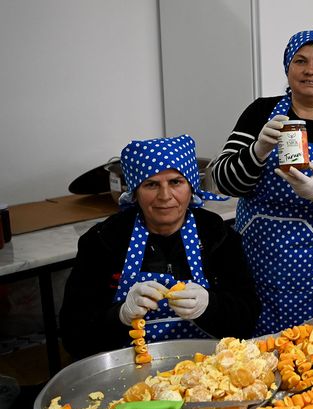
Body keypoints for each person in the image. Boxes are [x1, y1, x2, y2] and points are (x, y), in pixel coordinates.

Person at [211, 30, 313, 335]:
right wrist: (257, 150)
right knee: (261, 358)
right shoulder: (259, 113)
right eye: (300, 61)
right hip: (260, 264)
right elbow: (223, 180)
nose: (310, 70)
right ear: (288, 68)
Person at [60, 135, 260, 359]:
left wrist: (210, 306)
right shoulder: (103, 241)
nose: (165, 196)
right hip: (126, 371)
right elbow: (73, 336)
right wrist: (121, 316)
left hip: (207, 368)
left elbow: (247, 320)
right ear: (135, 192)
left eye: (175, 182)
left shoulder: (218, 236)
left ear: (192, 187)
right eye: (151, 184)